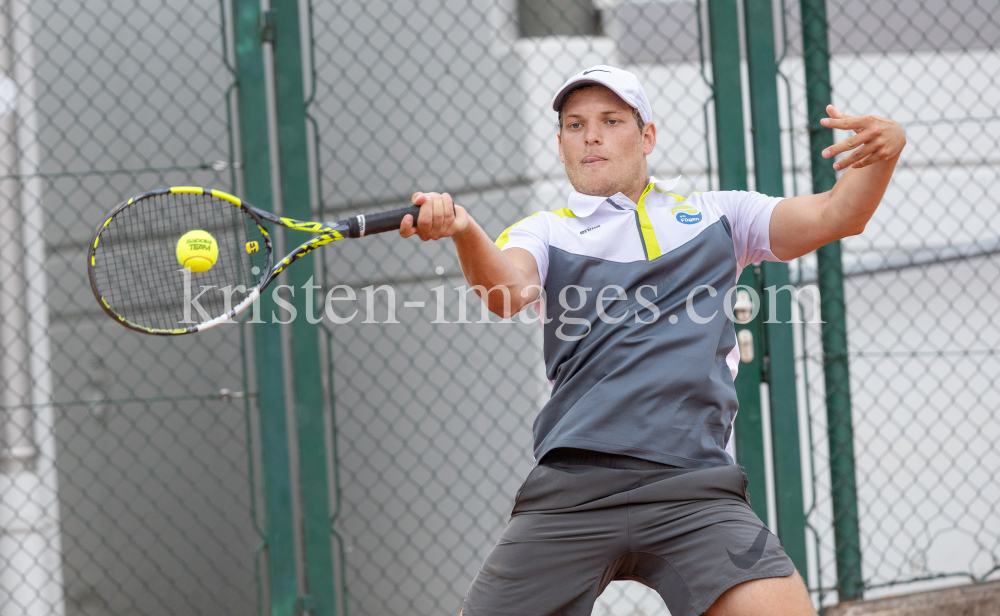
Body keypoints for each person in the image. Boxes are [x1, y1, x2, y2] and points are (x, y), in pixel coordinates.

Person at [400, 65, 905, 616]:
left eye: (610, 120)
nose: (590, 135)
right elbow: (505, 292)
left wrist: (884, 153)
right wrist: (464, 231)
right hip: (574, 488)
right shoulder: (544, 231)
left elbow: (839, 214)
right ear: (562, 143)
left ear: (647, 137)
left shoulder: (721, 215)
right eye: (574, 125)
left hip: (695, 486)